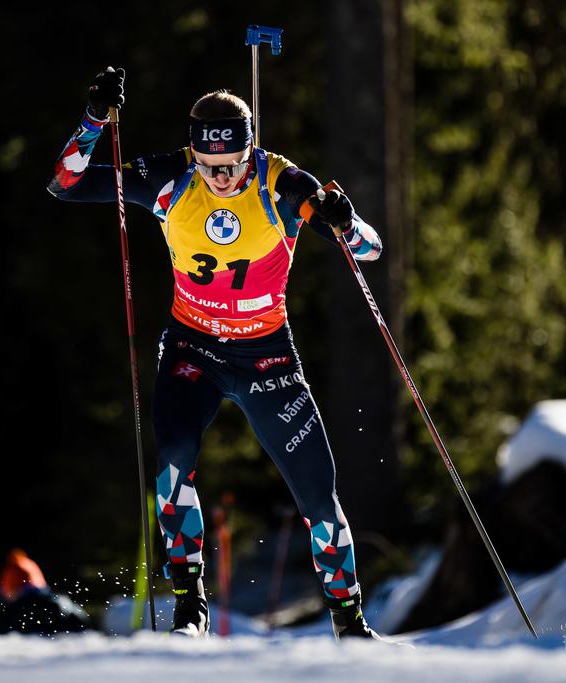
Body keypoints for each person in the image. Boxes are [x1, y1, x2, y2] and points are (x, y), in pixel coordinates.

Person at [46, 67, 384, 640]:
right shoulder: (171, 178)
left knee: (319, 497)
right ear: (194, 154)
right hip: (192, 350)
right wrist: (95, 120)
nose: (220, 179)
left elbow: (369, 250)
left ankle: (349, 624)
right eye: (209, 167)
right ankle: (189, 608)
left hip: (267, 357)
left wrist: (346, 224)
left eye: (230, 167)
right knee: (172, 467)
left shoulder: (281, 184)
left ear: (249, 152)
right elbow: (66, 183)